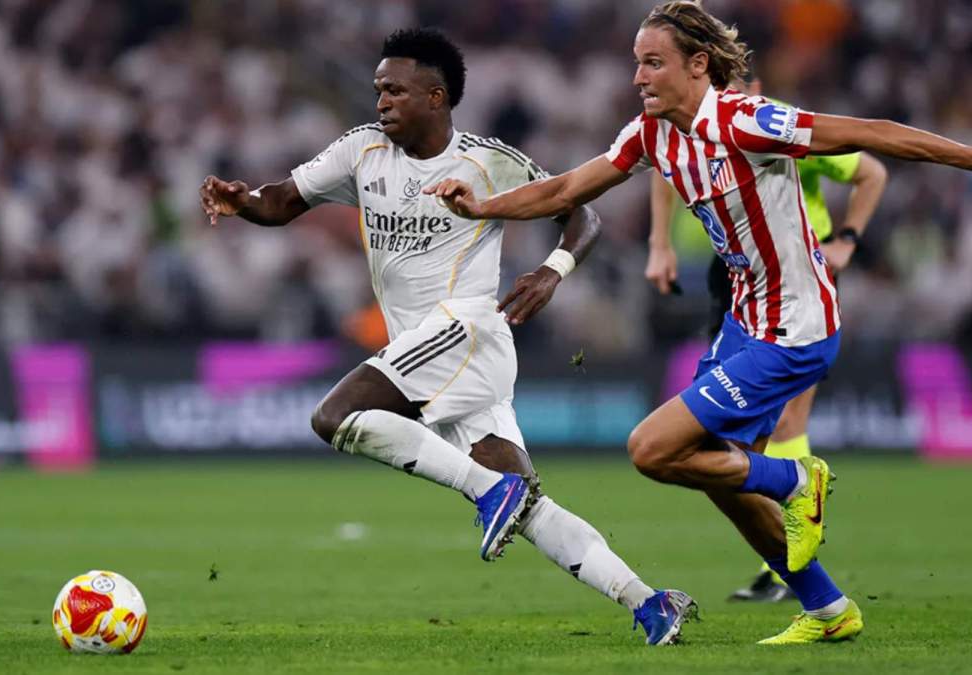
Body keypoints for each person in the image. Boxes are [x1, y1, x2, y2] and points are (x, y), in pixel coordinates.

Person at [426, 0, 972, 644]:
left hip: (796, 328)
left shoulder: (746, 120)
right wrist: (483, 206)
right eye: (637, 63)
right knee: (720, 475)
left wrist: (971, 156)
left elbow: (867, 132)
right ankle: (828, 609)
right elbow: (565, 190)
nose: (639, 77)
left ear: (698, 64)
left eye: (653, 63)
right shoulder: (652, 134)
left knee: (652, 449)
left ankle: (797, 479)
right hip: (745, 323)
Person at [199, 28, 695, 646]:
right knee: (529, 505)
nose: (381, 101)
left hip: (465, 332)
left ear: (435, 97)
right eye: (378, 89)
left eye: (395, 91)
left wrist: (552, 270)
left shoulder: (488, 162)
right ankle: (651, 603)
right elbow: (282, 202)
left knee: (334, 417)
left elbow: (581, 212)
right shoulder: (361, 150)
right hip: (433, 355)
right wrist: (243, 200)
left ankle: (489, 490)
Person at [646, 72, 888, 603]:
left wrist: (847, 240)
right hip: (737, 275)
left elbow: (870, 169)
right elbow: (663, 163)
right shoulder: (691, 126)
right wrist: (660, 242)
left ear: (754, 84)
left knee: (787, 423)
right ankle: (804, 581)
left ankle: (785, 555)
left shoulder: (776, 125)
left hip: (799, 284)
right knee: (726, 449)